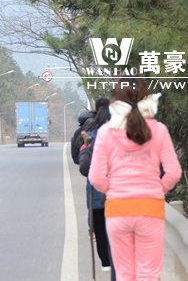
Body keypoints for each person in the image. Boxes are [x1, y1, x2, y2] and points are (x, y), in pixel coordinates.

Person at [89, 78, 182, 281]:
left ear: (116, 99)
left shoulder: (106, 132)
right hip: (150, 208)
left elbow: (95, 177)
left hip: (117, 209)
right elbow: (174, 172)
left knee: (124, 275)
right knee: (148, 274)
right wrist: (158, 189)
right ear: (146, 96)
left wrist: (112, 190)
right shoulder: (159, 130)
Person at [79, 98, 114, 276]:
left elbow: (84, 168)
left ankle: (105, 261)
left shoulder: (90, 134)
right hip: (117, 193)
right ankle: (114, 259)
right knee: (115, 230)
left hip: (96, 192)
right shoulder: (120, 135)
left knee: (100, 230)